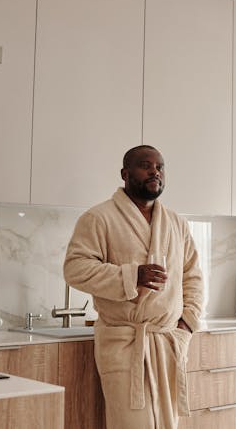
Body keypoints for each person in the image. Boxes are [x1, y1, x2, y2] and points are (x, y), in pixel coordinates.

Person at [63, 145, 204, 429]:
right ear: (125, 173)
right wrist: (131, 276)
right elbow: (75, 269)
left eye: (160, 166)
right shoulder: (98, 218)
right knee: (131, 423)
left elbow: (193, 275)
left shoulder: (176, 223)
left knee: (167, 423)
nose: (155, 171)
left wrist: (187, 323)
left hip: (167, 340)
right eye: (145, 165)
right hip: (125, 342)